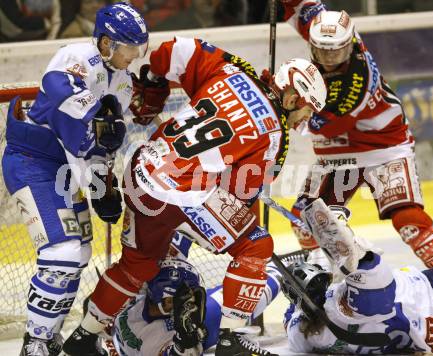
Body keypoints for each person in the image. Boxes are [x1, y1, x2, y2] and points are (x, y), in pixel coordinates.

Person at [62, 37, 327, 356]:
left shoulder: (230, 70)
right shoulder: (275, 136)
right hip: (181, 191)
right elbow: (239, 193)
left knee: (137, 265)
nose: (303, 121)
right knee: (256, 244)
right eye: (306, 111)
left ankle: (82, 337)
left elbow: (171, 52)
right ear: (293, 99)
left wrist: (153, 90)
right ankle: (233, 339)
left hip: (141, 170)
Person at [1, 2, 149, 355]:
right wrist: (98, 116)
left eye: (137, 48)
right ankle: (34, 343)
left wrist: (103, 189)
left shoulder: (124, 84)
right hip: (33, 160)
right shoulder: (77, 56)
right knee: (63, 253)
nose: (133, 55)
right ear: (105, 43)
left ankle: (48, 337)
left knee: (79, 254)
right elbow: (58, 91)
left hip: (65, 170)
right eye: (128, 47)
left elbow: (101, 146)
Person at [278, 0, 433, 267]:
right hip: (339, 154)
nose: (330, 59)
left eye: (336, 52)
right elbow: (306, 6)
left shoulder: (355, 85)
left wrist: (282, 106)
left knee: (409, 222)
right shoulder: (334, 34)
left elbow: (316, 125)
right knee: (304, 223)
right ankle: (318, 280)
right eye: (323, 51)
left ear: (349, 45)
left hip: (383, 150)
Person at [281, 198, 433, 354]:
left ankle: (357, 257)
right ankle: (359, 256)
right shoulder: (336, 302)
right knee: (367, 296)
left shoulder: (301, 334)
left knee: (365, 296)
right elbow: (378, 295)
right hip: (424, 293)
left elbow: (290, 320)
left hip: (427, 330)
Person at [110, 231, 285, 356]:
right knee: (241, 299)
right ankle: (285, 269)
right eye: (183, 296)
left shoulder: (133, 300)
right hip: (191, 332)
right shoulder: (153, 343)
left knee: (173, 231)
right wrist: (185, 339)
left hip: (149, 328)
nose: (191, 299)